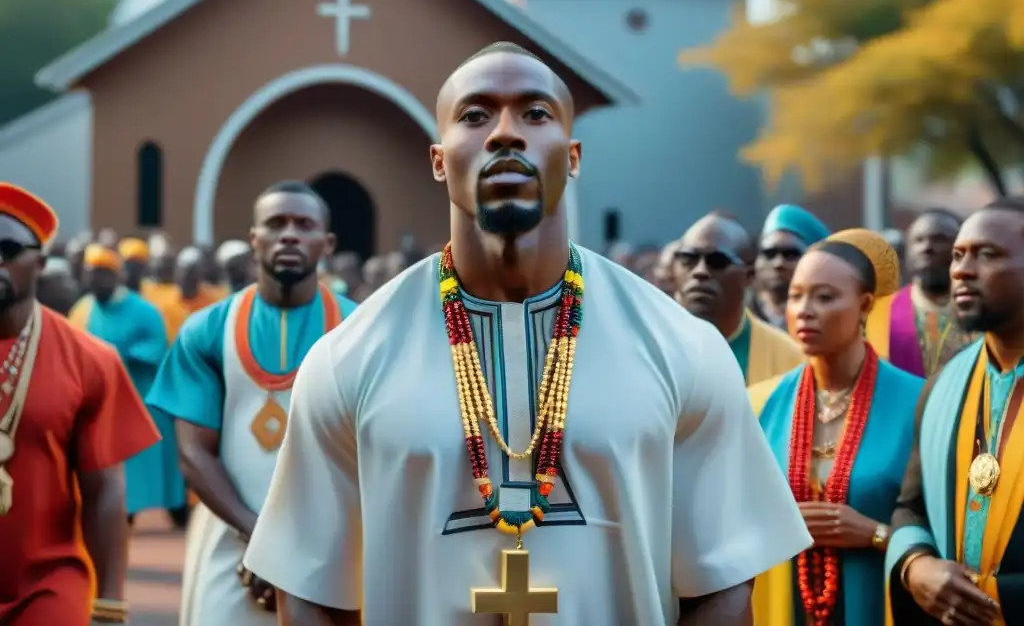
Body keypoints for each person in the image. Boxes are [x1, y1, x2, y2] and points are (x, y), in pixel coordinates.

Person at [243, 42, 811, 625]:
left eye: (535, 114)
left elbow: (722, 584)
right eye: (475, 114)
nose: (505, 133)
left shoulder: (680, 346)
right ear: (439, 160)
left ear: (573, 156)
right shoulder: (348, 359)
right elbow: (309, 590)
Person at [147, 182, 358, 625]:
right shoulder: (206, 330)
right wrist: (259, 537)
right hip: (230, 539)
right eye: (275, 224)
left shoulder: (360, 329)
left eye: (304, 225)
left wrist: (291, 549)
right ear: (254, 239)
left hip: (331, 548)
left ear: (328, 242)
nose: (289, 235)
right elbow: (192, 453)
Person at [0, 183, 159, 625]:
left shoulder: (90, 359)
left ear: (41, 262)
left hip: (47, 588)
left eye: (8, 248)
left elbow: (104, 489)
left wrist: (109, 603)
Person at [747, 229, 923, 625]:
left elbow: (949, 533)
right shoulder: (759, 403)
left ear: (864, 306)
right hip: (781, 605)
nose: (805, 310)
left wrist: (877, 534)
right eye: (796, 296)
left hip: (885, 605)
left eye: (825, 297)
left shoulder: (920, 404)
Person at [885, 198, 1024, 625]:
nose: (961, 269)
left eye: (988, 254)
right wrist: (915, 565)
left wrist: (991, 597)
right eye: (960, 254)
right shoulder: (945, 384)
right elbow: (910, 506)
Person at [70, 245, 189, 526]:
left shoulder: (144, 310)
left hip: (141, 398)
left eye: (101, 274)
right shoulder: (83, 309)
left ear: (115, 277)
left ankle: (178, 511)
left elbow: (157, 346)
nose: (94, 281)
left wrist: (120, 354)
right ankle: (125, 514)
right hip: (101, 401)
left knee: (153, 462)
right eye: (90, 274)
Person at [676, 212, 803, 386]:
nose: (700, 271)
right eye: (688, 259)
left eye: (718, 261)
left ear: (750, 275)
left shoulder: (791, 361)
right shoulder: (647, 345)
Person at [866, 209, 974, 377]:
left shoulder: (982, 309)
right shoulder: (878, 313)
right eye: (918, 240)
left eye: (939, 239)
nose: (927, 247)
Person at [754, 204, 830, 328]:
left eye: (790, 254)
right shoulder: (736, 318)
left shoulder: (825, 322)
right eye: (770, 254)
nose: (778, 263)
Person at [123, 237, 191, 342]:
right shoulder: (117, 296)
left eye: (137, 265)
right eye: (129, 265)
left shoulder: (173, 293)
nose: (132, 270)